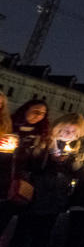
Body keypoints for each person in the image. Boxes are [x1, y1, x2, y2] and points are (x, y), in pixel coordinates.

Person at [0, 113, 84, 247]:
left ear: (78, 134)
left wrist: (74, 164)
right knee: (20, 237)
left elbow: (77, 173)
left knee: (40, 240)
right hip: (34, 197)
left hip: (55, 200)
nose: (68, 134)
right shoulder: (43, 143)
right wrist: (47, 159)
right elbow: (28, 165)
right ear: (57, 128)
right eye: (65, 130)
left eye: (73, 132)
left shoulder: (77, 150)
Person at [0, 99, 49, 239]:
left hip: (17, 186)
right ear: (25, 109)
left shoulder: (41, 136)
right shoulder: (8, 125)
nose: (39, 115)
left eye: (43, 114)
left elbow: (38, 166)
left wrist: (39, 152)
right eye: (36, 111)